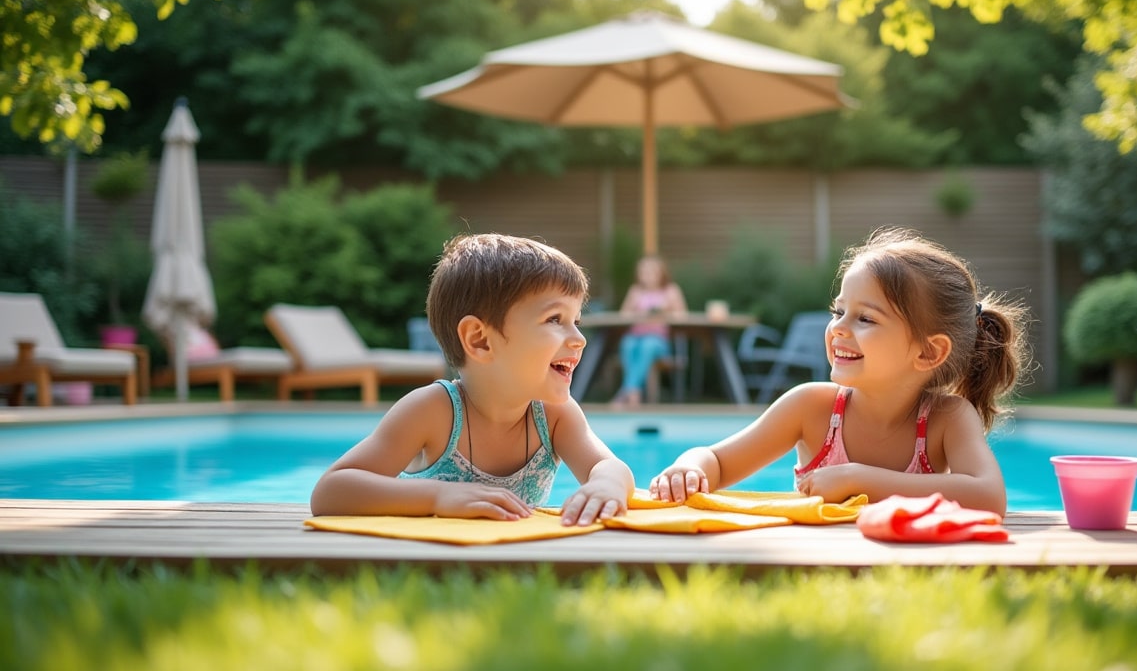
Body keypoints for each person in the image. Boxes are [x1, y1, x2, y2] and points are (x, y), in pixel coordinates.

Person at [649, 226, 1028, 515]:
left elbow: (989, 497)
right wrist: (690, 467)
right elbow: (718, 461)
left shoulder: (946, 419)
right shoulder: (810, 408)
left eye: (865, 318)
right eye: (839, 311)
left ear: (929, 352)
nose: (838, 328)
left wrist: (857, 478)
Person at [311, 233, 634, 526]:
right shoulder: (432, 411)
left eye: (576, 320)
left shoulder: (553, 416)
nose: (579, 339)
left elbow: (611, 467)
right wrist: (437, 497)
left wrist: (606, 485)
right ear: (479, 340)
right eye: (554, 319)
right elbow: (330, 491)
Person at [613, 254, 687, 407]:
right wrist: (637, 312)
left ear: (661, 273)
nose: (647, 276)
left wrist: (666, 311)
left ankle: (627, 392)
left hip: (659, 342)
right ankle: (633, 394)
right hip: (635, 338)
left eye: (651, 272)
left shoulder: (671, 291)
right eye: (644, 272)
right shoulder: (635, 291)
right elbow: (623, 316)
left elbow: (683, 316)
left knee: (648, 345)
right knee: (627, 343)